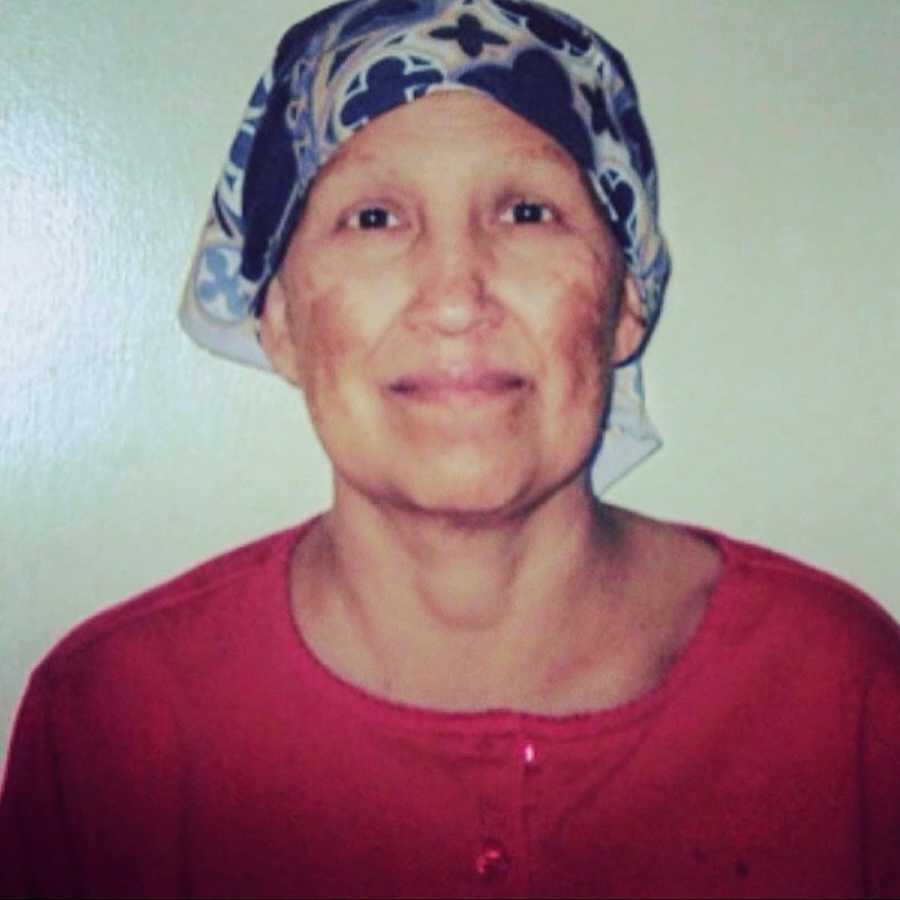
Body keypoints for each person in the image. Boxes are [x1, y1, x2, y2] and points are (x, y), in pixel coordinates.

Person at [2, 0, 898, 897]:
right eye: (375, 219)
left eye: (527, 211)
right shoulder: (110, 728)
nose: (456, 293)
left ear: (626, 298)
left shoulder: (845, 699)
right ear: (277, 317)